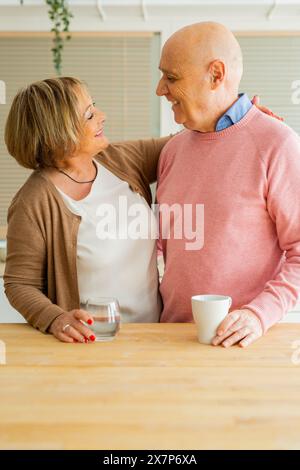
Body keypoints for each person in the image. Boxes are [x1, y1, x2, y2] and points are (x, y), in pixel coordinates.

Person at [156, 22, 300, 348]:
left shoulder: (278, 145)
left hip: (242, 344)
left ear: (216, 75)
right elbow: (163, 247)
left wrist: (257, 315)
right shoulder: (172, 152)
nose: (160, 89)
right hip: (169, 341)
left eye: (172, 77)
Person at [4, 77, 169, 343]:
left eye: (95, 107)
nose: (102, 116)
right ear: (59, 133)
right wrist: (55, 318)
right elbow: (20, 284)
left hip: (153, 337)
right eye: (89, 114)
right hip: (92, 342)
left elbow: (186, 141)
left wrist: (243, 118)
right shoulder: (33, 202)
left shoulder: (120, 160)